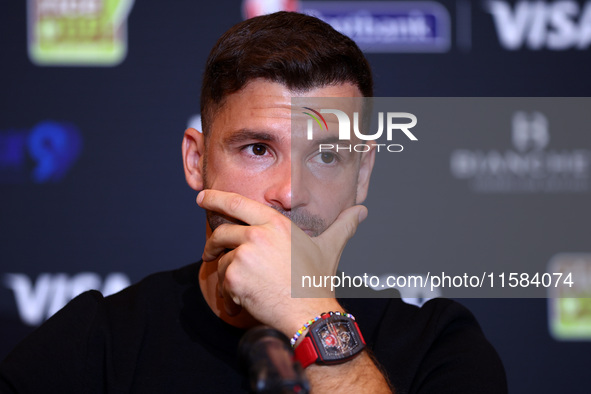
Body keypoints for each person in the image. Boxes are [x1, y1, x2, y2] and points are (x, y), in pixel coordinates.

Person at [0, 11, 507, 393]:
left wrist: (311, 317)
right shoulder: (98, 342)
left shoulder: (436, 345)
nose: (289, 192)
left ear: (363, 173)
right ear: (196, 161)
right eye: (258, 149)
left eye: (327, 155)